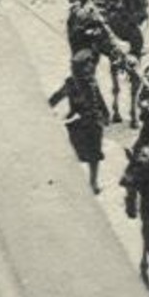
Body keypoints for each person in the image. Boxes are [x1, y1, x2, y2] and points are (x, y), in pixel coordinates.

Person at [49, 49, 109, 193]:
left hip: (94, 123)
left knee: (94, 155)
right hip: (79, 122)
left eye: (91, 64)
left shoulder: (92, 81)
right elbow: (57, 96)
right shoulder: (71, 83)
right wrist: (45, 107)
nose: (91, 67)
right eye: (87, 65)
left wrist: (105, 114)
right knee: (74, 153)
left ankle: (93, 183)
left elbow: (99, 98)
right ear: (79, 67)